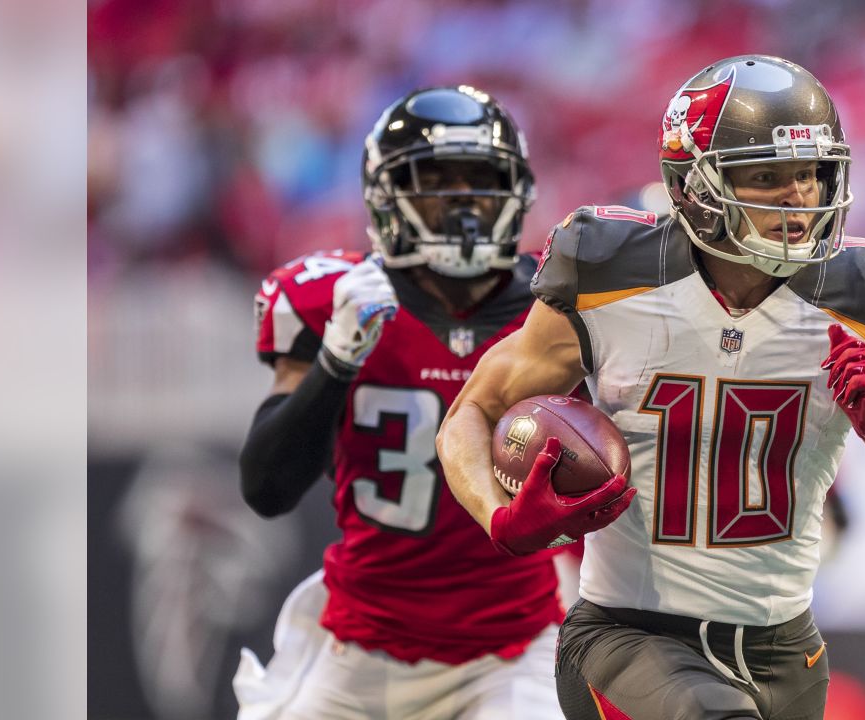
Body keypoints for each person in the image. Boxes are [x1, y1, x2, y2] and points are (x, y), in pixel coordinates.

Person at [437, 55, 865, 720]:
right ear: (694, 183)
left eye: (808, 172)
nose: (799, 196)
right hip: (628, 636)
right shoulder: (607, 270)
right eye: (768, 176)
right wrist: (497, 514)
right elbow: (473, 411)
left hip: (786, 653)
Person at [232, 86, 620, 720]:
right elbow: (266, 490)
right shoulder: (332, 297)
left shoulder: (555, 309)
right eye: (436, 179)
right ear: (387, 196)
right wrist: (336, 362)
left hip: (512, 645)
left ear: (516, 190)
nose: (463, 200)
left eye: (481, 179)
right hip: (360, 639)